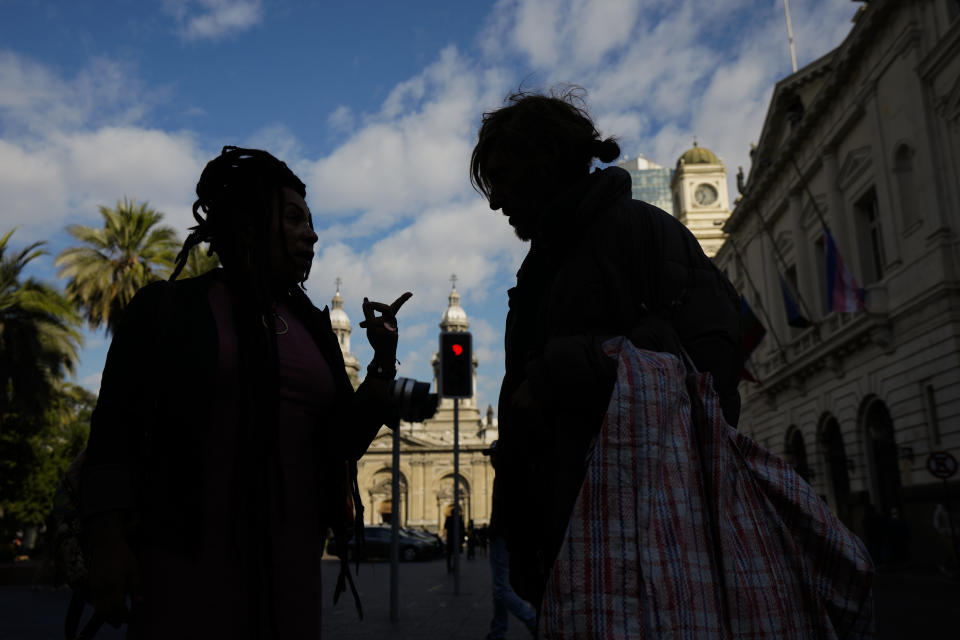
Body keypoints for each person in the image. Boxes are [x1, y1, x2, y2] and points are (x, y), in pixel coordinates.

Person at [80, 146, 411, 639]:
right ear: (251, 222)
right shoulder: (171, 310)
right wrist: (106, 540)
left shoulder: (313, 328)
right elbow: (114, 433)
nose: (312, 233)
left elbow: (341, 442)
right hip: (186, 559)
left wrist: (383, 360)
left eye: (312, 220)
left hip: (292, 567)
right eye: (295, 218)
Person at [470, 88, 742, 609]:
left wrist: (557, 373)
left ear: (543, 164)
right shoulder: (542, 267)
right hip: (576, 552)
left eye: (502, 177)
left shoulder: (642, 232)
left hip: (648, 555)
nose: (495, 200)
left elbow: (711, 365)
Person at [483, 440, 536, 640]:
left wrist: (496, 531)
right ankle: (498, 630)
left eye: (493, 455)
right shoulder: (507, 477)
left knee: (500, 588)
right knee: (499, 587)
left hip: (502, 537)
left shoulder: (506, 479)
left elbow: (506, 511)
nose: (491, 459)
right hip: (502, 536)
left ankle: (532, 620)